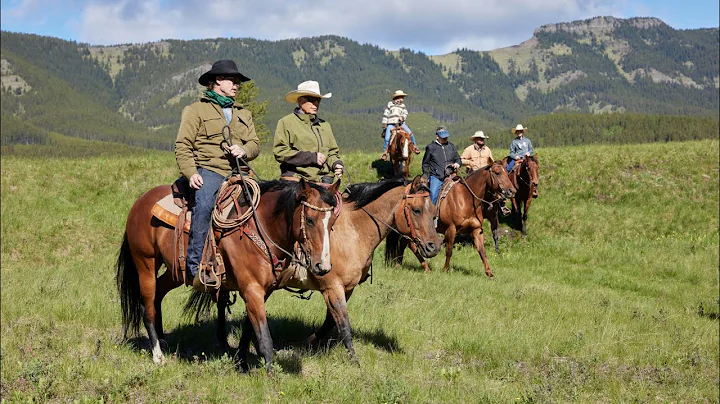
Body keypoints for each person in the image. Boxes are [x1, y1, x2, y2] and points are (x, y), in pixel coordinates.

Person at [175, 59, 260, 290]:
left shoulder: (244, 113)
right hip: (210, 170)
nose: (236, 85)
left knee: (266, 204)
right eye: (232, 80)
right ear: (217, 81)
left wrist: (244, 150)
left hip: (239, 171)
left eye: (237, 82)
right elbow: (183, 145)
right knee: (203, 207)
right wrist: (191, 173)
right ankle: (194, 268)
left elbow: (255, 143)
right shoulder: (196, 110)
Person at [273, 80, 344, 183]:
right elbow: (280, 152)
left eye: (318, 100)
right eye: (311, 99)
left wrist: (336, 164)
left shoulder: (325, 125)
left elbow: (331, 153)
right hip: (296, 179)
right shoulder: (286, 122)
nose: (316, 103)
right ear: (301, 101)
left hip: (323, 180)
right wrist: (311, 157)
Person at [421, 126, 461, 205]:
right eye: (443, 137)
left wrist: (457, 163)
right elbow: (425, 163)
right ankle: (431, 213)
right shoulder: (431, 147)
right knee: (433, 193)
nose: (445, 139)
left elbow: (458, 158)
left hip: (451, 175)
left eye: (446, 137)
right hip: (437, 177)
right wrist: (426, 174)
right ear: (437, 136)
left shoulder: (451, 146)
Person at [381, 90, 419, 160]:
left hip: (401, 124)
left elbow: (405, 113)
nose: (403, 99)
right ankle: (385, 153)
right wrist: (384, 124)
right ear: (398, 97)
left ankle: (414, 147)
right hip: (391, 124)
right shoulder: (390, 104)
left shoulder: (403, 106)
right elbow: (386, 114)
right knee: (387, 138)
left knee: (411, 135)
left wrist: (402, 117)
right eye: (402, 97)